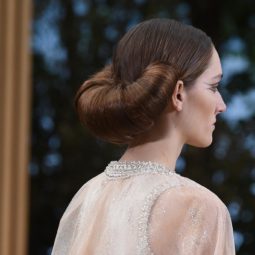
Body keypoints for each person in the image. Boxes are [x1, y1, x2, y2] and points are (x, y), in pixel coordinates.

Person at [51, 18, 236, 254]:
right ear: (178, 94)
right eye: (213, 86)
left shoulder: (85, 198)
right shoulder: (198, 207)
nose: (222, 105)